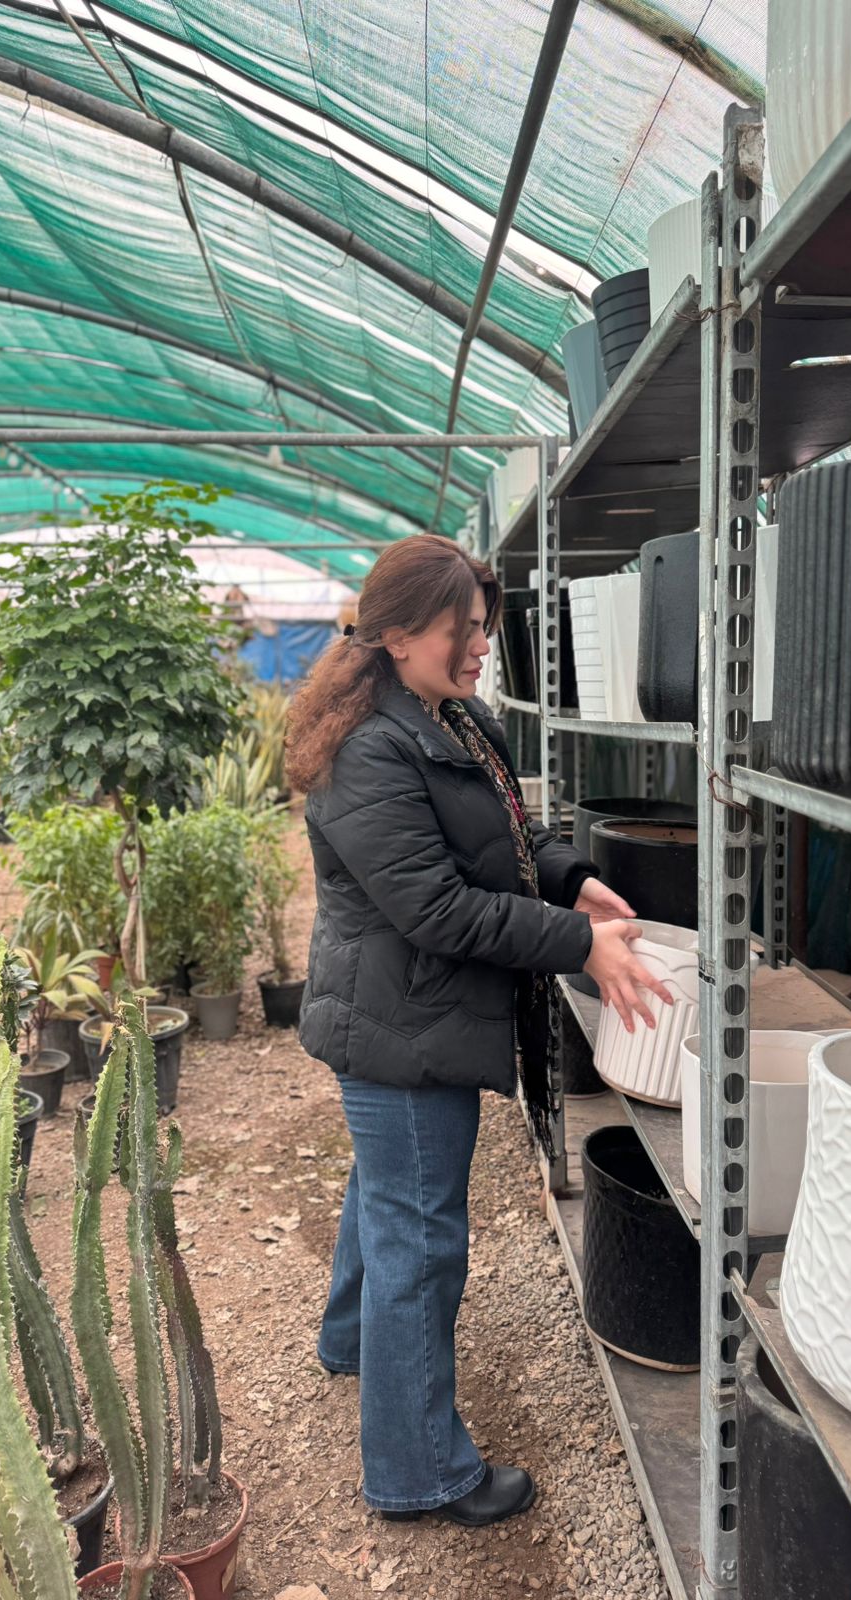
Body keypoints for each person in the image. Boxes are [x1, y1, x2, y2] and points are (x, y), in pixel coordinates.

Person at [286, 534, 670, 1528]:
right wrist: (580, 943)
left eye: (481, 630)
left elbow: (509, 835)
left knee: (388, 1191)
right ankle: (418, 1470)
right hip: (402, 1023)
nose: (480, 647)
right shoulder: (369, 749)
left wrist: (571, 874)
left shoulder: (448, 717)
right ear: (402, 632)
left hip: (405, 1014)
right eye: (464, 629)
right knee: (422, 1238)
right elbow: (440, 909)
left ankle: (351, 1341)